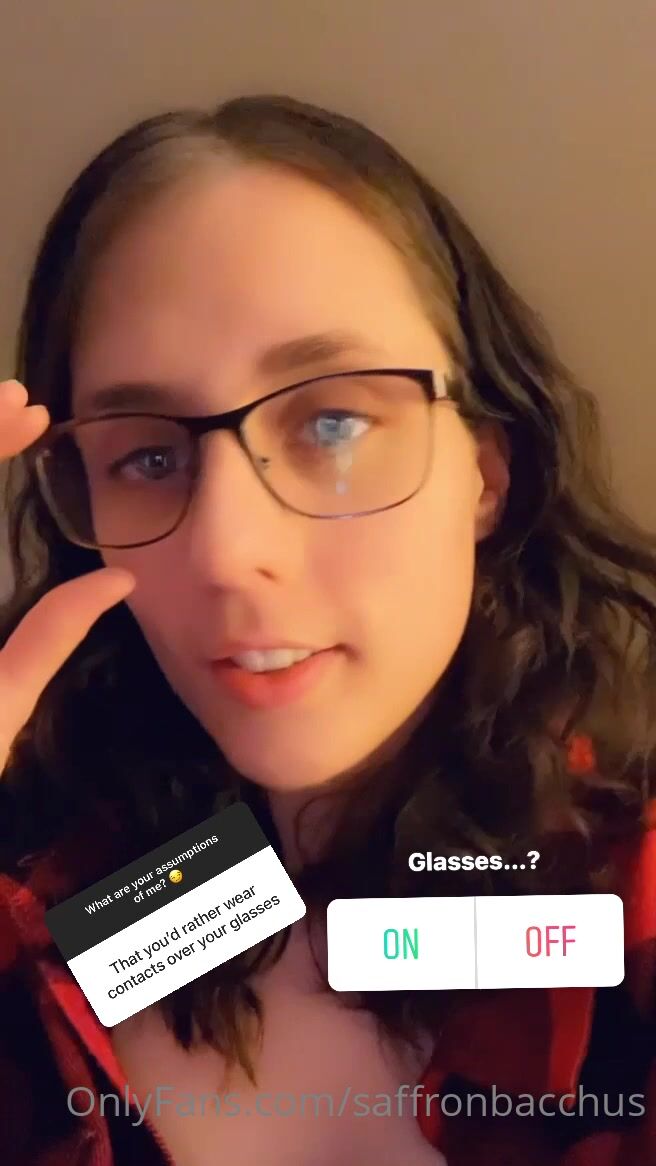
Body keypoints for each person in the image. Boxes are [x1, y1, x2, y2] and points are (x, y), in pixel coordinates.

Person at [0, 92, 654, 1166]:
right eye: (148, 456)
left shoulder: (629, 919)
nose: (223, 549)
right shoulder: (53, 909)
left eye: (333, 421)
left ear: (485, 471)